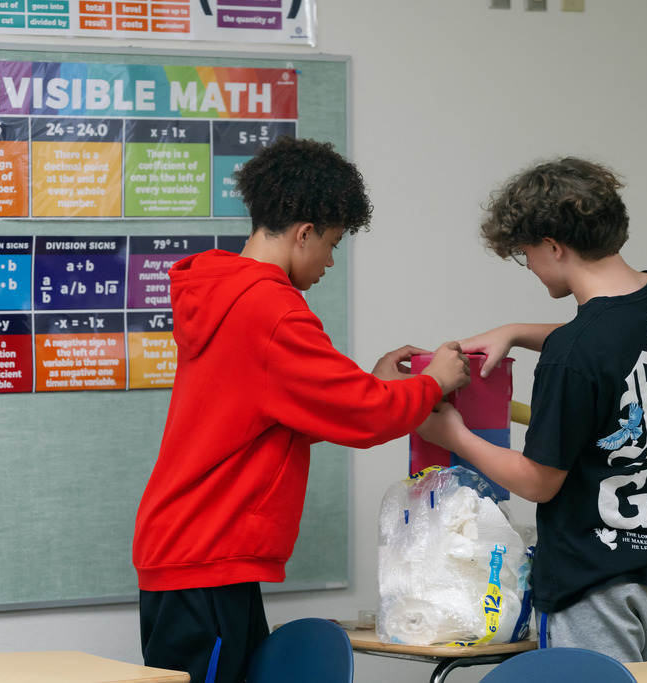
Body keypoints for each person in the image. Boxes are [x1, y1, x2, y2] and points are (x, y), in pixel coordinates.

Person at [133, 136, 471, 683]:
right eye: (332, 244)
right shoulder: (271, 309)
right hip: (206, 555)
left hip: (195, 553)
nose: (331, 261)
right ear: (304, 233)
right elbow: (364, 415)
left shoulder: (223, 292)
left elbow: (283, 412)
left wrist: (374, 384)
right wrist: (435, 382)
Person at [417, 156, 647, 663]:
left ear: (554, 247)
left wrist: (454, 435)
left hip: (595, 586)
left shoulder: (570, 357)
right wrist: (515, 332)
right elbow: (612, 343)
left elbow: (537, 481)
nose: (529, 266)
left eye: (526, 254)